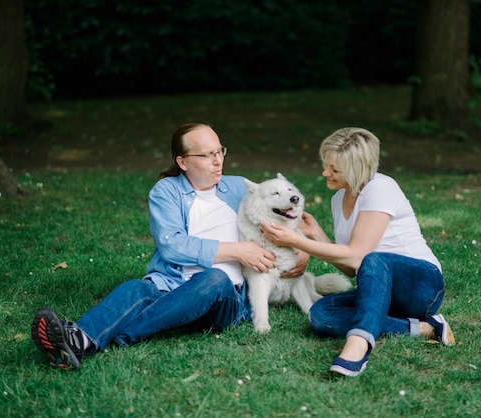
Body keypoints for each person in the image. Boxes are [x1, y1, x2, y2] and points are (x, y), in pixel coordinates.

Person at [31, 122, 308, 370]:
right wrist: (238, 250)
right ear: (183, 162)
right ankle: (78, 341)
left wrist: (303, 248)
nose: (217, 161)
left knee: (215, 278)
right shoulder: (167, 191)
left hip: (226, 298)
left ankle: (120, 334)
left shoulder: (236, 187)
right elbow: (172, 245)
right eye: (206, 154)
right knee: (135, 288)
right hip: (170, 284)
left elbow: (292, 209)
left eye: (220, 151)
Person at [261, 127, 455, 377]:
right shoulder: (338, 199)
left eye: (334, 169)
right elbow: (353, 269)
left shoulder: (380, 188)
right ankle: (425, 329)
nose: (325, 173)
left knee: (374, 259)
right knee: (320, 314)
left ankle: (358, 344)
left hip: (421, 285)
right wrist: (318, 235)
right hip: (380, 291)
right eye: (325, 164)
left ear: (357, 169)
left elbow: (358, 256)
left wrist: (297, 242)